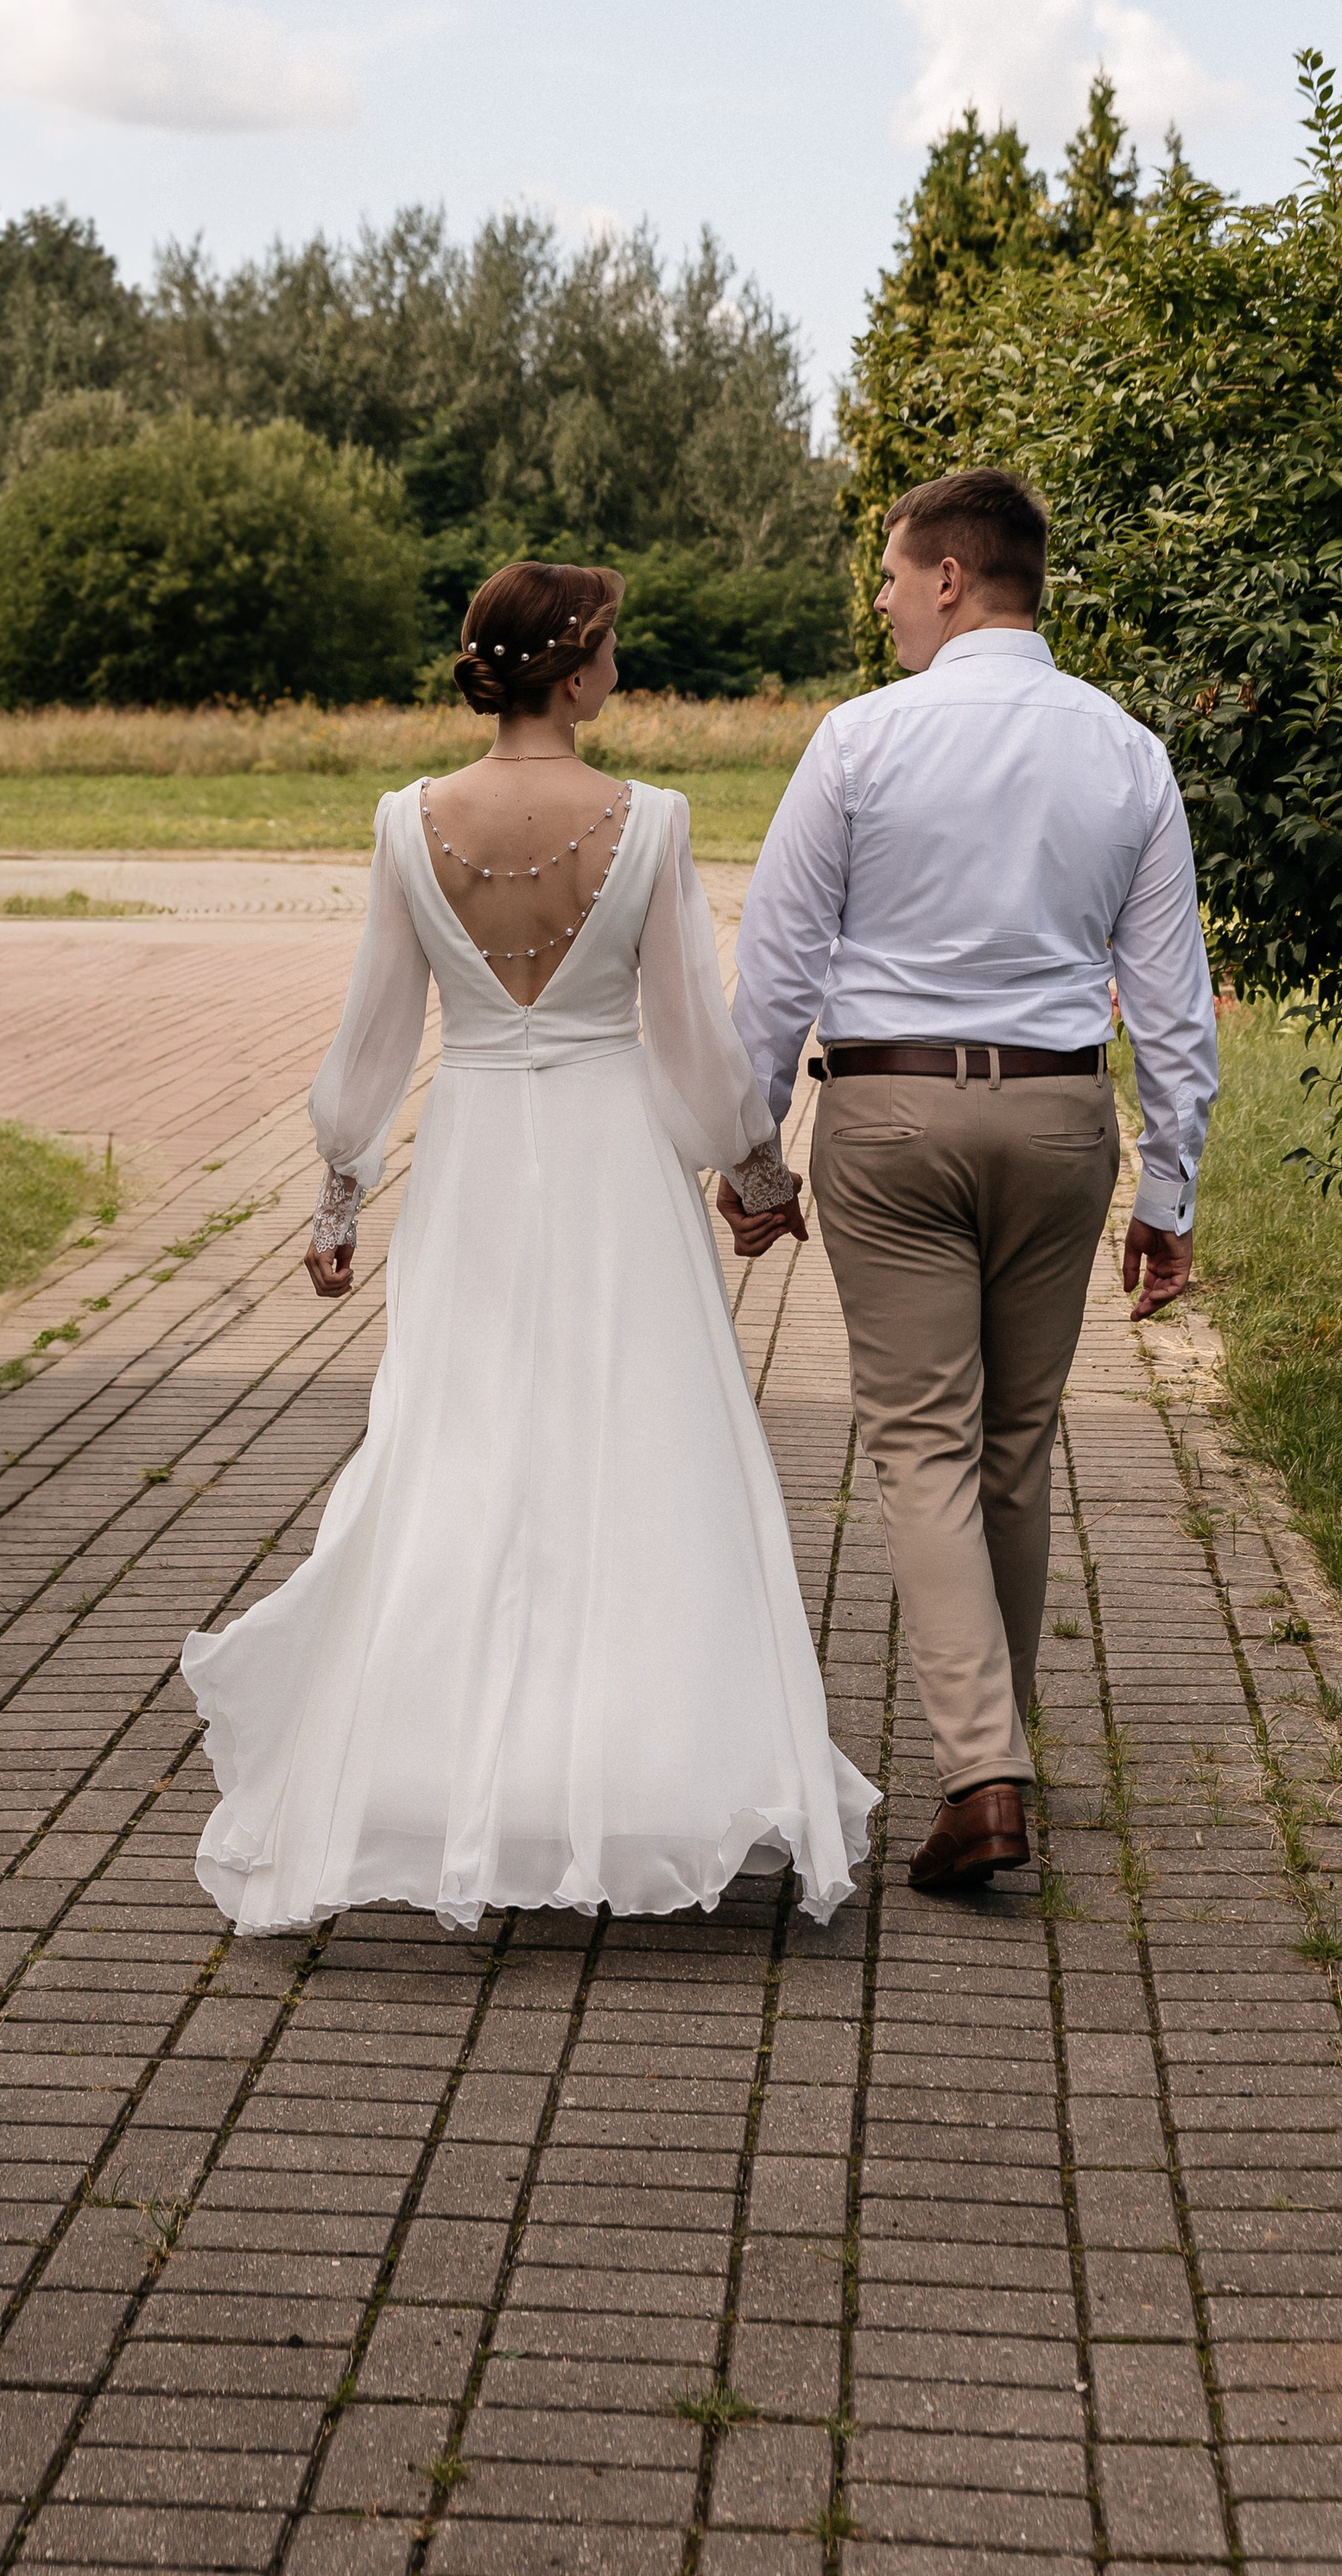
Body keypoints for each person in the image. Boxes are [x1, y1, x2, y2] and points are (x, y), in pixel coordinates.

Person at [180, 559, 877, 1935]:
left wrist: (339, 1196)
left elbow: (374, 1030)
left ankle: (458, 1772)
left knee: (468, 1442)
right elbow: (689, 1031)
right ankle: (644, 1776)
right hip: (618, 1165)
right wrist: (753, 1170)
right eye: (610, 646)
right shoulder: (653, 821)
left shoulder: (406, 822)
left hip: (481, 1161)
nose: (619, 663)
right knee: (638, 1448)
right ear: (575, 672)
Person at [728, 468, 1217, 1897]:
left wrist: (754, 1156)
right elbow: (1172, 1004)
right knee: (1015, 1438)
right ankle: (1000, 1741)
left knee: (923, 1442)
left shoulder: (859, 741)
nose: (878, 598)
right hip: (1064, 1119)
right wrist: (1170, 1191)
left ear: (952, 577)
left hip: (888, 1116)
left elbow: (776, 973)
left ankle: (980, 1774)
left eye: (889, 573)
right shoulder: (1127, 751)